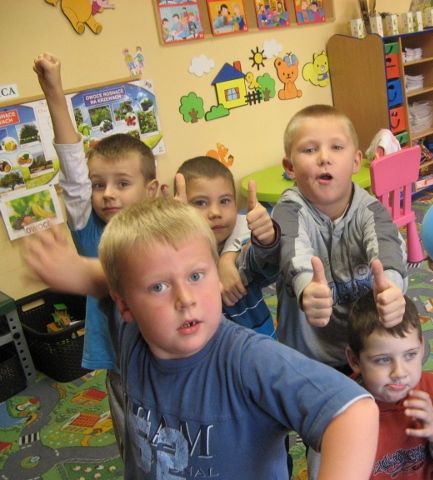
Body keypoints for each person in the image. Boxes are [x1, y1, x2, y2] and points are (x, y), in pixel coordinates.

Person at [95, 197, 376, 479]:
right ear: (125, 306)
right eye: (159, 286)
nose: (185, 299)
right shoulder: (132, 334)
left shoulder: (249, 360)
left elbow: (355, 413)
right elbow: (102, 277)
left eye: (196, 276)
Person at [33, 52, 159, 454]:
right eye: (99, 184)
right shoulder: (91, 231)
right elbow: (73, 171)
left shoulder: (164, 227)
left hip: (168, 355)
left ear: (150, 191)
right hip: (123, 365)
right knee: (135, 447)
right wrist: (53, 90)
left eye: (122, 183)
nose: (107, 194)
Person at [272, 104, 409, 372]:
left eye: (336, 147)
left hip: (364, 354)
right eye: (309, 150)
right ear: (290, 167)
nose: (324, 158)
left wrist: (391, 287)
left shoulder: (370, 210)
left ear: (356, 161)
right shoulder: (288, 210)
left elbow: (387, 246)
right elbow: (292, 248)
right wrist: (306, 287)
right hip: (305, 361)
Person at [346, 292, 433, 479]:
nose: (399, 373)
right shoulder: (343, 412)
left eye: (410, 355)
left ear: (421, 348)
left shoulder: (432, 392)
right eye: (382, 360)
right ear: (354, 360)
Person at [176, 156, 277, 337]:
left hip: (259, 345)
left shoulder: (242, 250)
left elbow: (263, 258)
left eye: (224, 201)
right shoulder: (176, 262)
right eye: (200, 203)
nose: (215, 213)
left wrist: (267, 239)